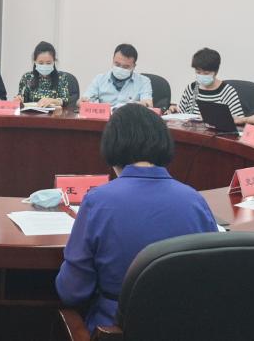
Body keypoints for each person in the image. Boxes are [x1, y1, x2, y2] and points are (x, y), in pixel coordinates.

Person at [57, 104, 218, 332]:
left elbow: (72, 291)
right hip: (184, 329)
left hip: (116, 329)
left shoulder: (98, 201)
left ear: (112, 146)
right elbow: (210, 280)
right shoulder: (194, 200)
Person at [167, 47, 244, 119]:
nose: (202, 75)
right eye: (198, 72)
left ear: (216, 72)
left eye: (206, 73)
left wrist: (213, 118)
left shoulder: (227, 92)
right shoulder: (192, 88)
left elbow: (239, 121)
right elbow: (182, 116)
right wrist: (174, 112)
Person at [80, 44, 153, 107]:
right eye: (117, 64)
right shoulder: (99, 79)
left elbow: (148, 103)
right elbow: (82, 102)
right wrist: (84, 102)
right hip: (105, 118)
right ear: (113, 60)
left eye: (125, 67)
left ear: (133, 66)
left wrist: (142, 104)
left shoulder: (143, 81)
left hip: (130, 117)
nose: (120, 68)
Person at [15, 41, 72, 107]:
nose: (44, 66)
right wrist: (18, 99)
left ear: (54, 61)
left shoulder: (61, 77)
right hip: (31, 112)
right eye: (41, 63)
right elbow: (21, 97)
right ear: (35, 61)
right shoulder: (27, 77)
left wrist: (52, 101)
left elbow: (65, 100)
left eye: (48, 63)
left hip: (54, 113)